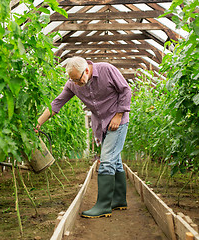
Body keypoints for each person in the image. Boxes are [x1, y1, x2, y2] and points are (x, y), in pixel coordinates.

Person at [35, 56, 131, 218]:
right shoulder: (73, 84)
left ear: (86, 70)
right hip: (101, 124)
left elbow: (125, 90)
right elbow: (56, 104)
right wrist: (38, 123)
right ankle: (119, 200)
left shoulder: (106, 70)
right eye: (72, 80)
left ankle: (103, 206)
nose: (76, 84)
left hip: (117, 122)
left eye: (78, 80)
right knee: (115, 161)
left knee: (107, 161)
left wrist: (119, 114)